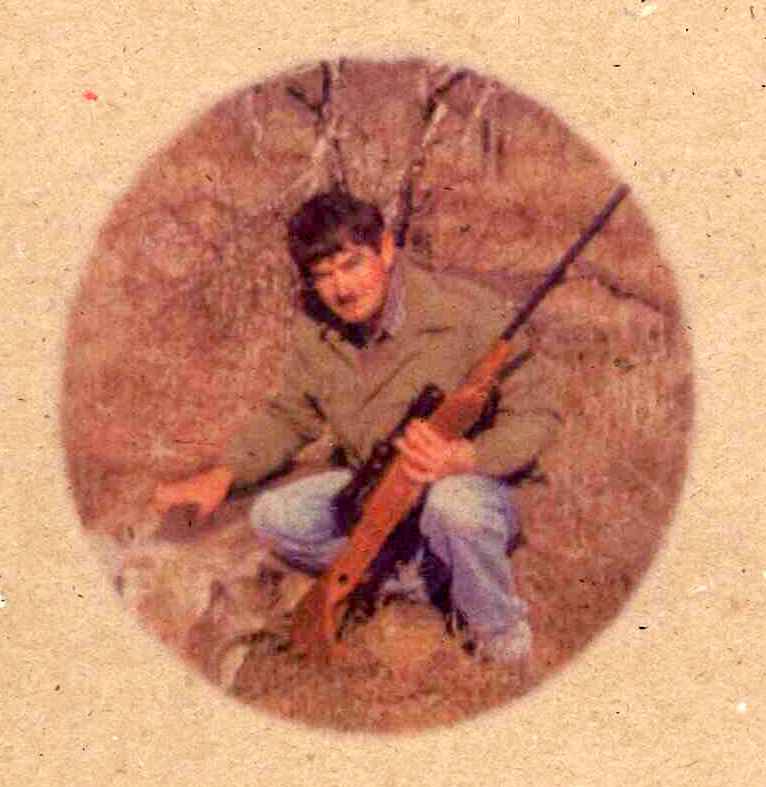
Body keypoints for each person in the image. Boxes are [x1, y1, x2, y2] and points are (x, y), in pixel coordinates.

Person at [153, 189, 560, 664]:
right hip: (377, 488)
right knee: (274, 516)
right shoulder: (317, 327)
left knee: (456, 507)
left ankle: (503, 644)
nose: (341, 289)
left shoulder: (471, 312)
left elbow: (536, 416)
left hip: (472, 487)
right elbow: (290, 416)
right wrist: (224, 475)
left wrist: (466, 457)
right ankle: (430, 583)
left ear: (385, 250)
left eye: (352, 265)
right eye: (323, 275)